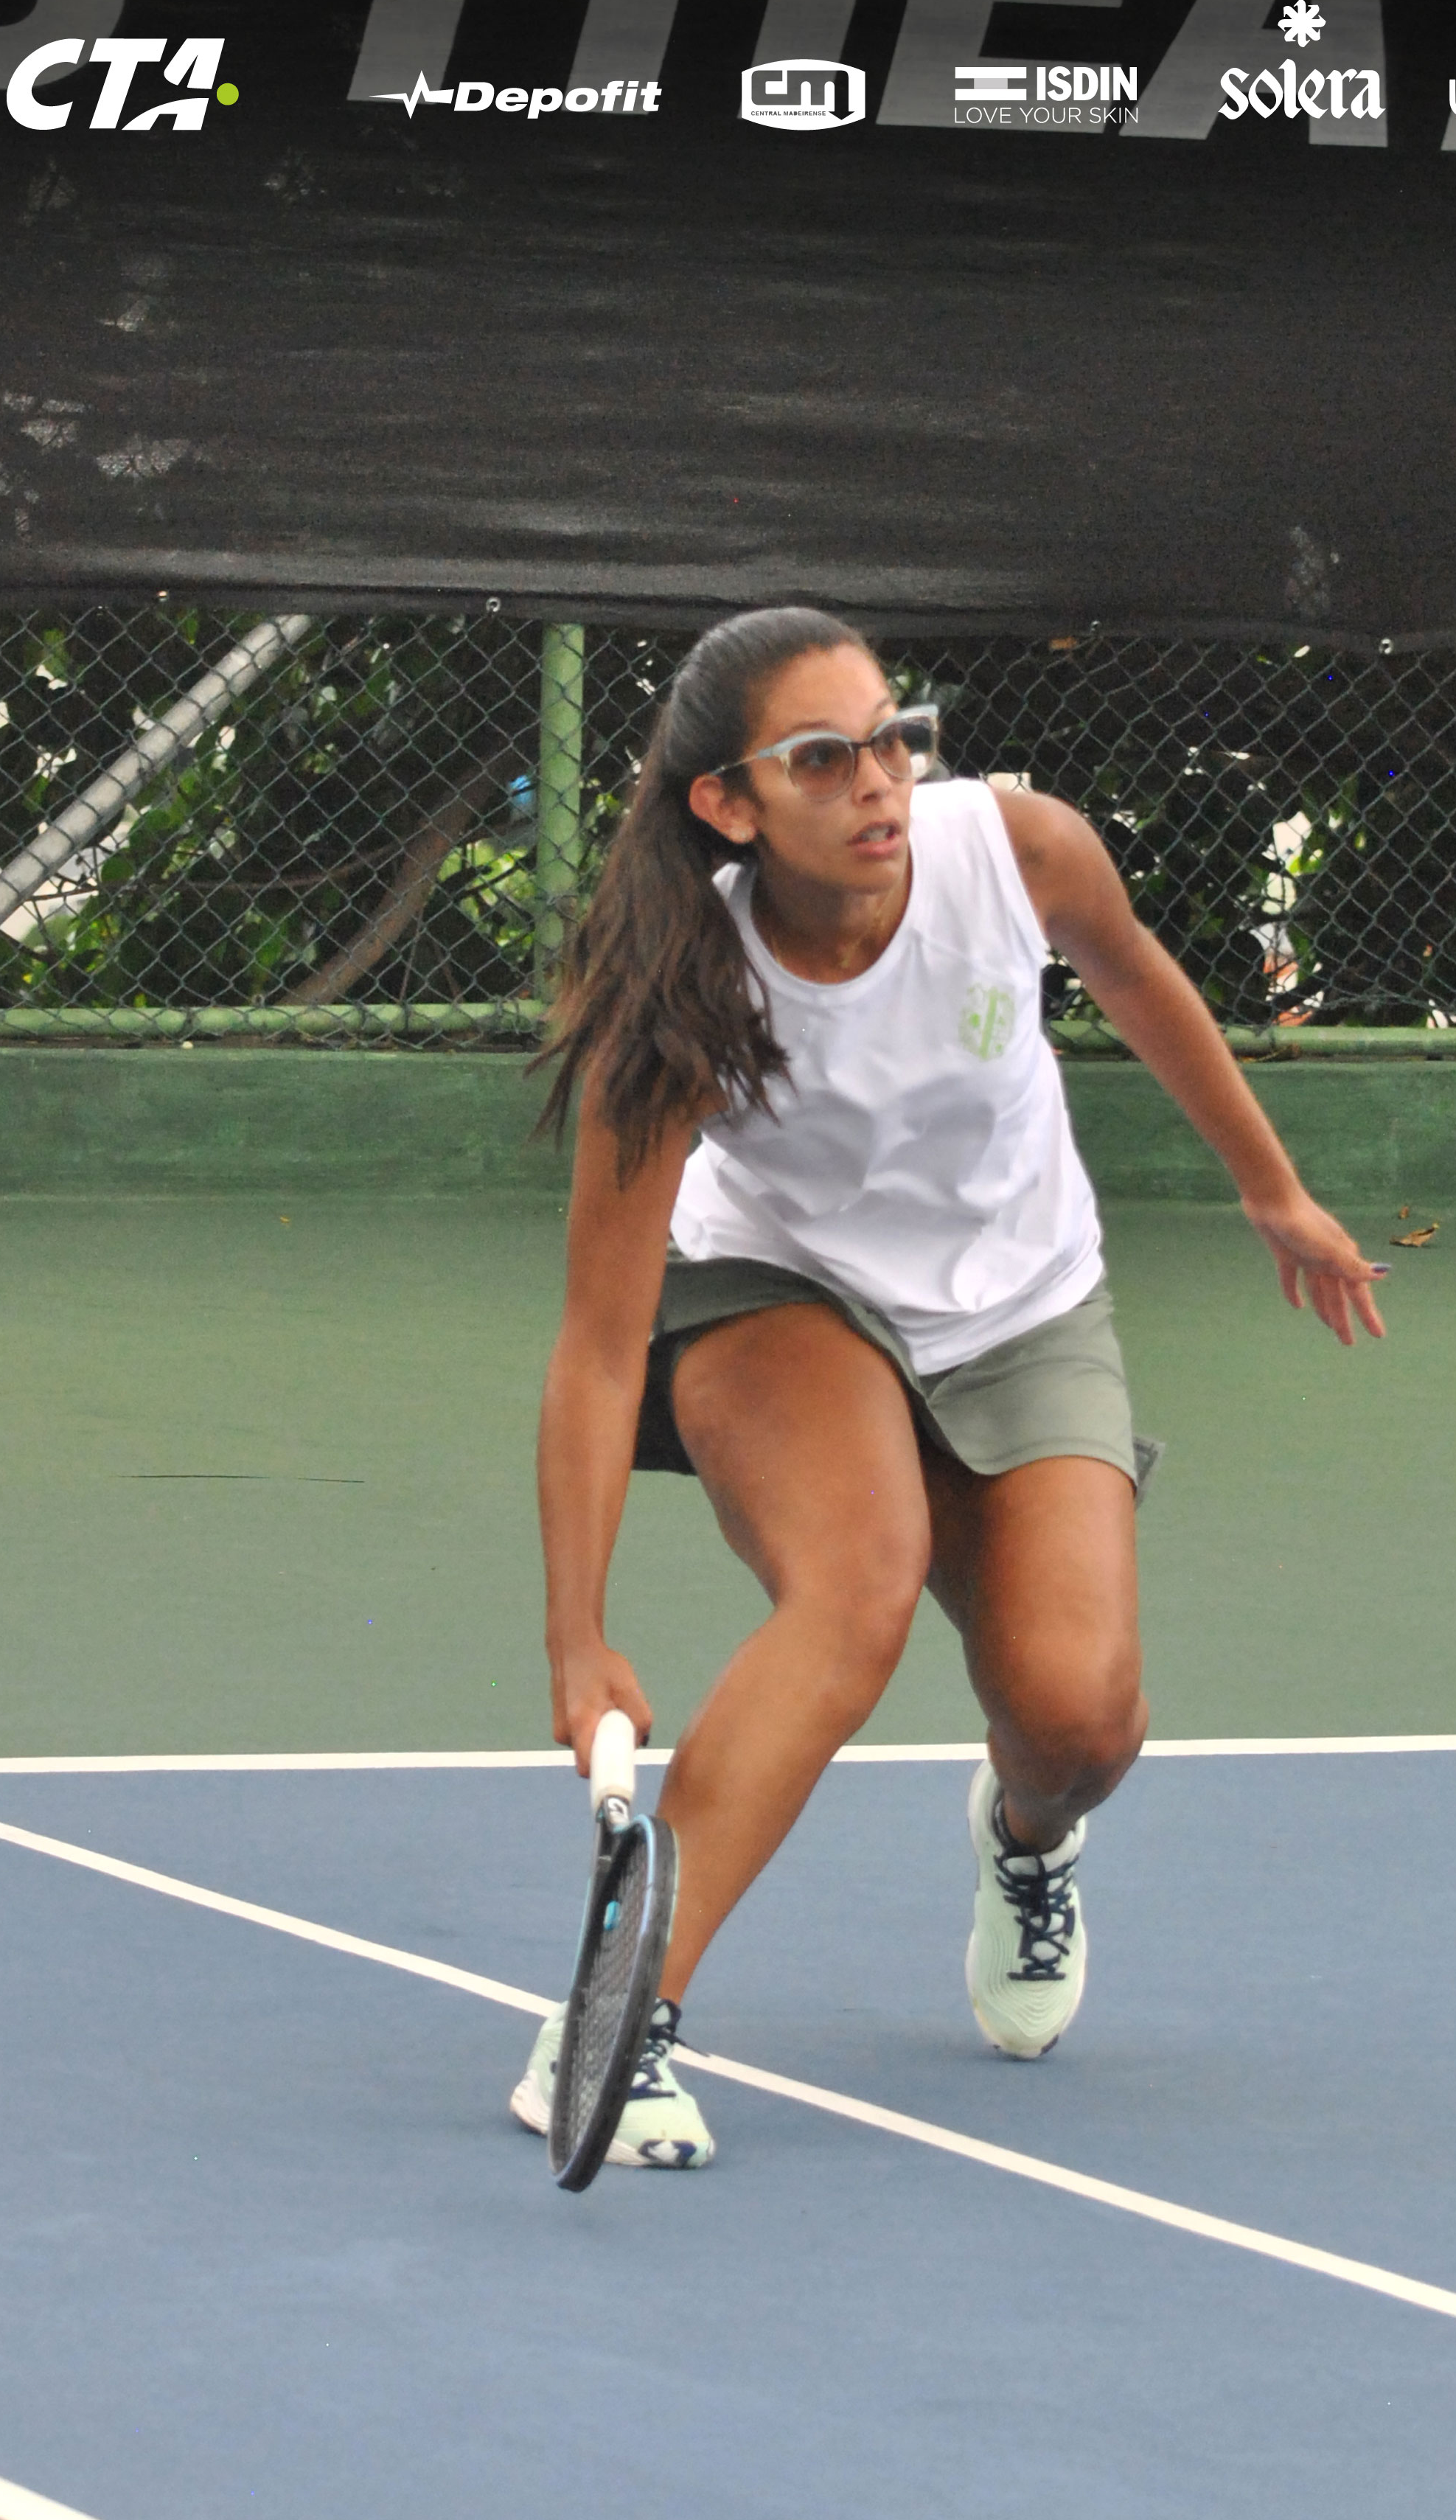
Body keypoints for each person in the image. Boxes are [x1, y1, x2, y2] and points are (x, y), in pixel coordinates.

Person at [512, 607, 1387, 2169]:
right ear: (730, 803)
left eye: (891, 735)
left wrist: (1272, 1187)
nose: (880, 779)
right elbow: (595, 1343)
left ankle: (1026, 1838)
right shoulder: (683, 994)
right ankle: (614, 2012)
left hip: (1024, 1300)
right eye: (823, 755)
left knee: (1080, 1713)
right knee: (856, 1585)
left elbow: (1137, 977)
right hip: (780, 1292)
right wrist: (578, 1634)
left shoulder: (1017, 851)